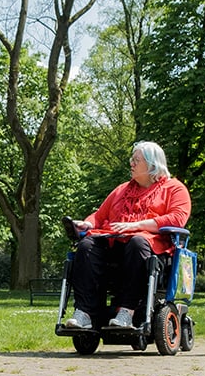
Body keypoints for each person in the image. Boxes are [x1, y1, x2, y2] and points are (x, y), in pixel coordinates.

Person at [64, 141, 192, 330]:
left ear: (152, 164)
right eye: (132, 159)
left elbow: (177, 218)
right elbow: (100, 216)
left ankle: (127, 312)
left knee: (137, 241)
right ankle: (84, 314)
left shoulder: (174, 189)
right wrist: (88, 223)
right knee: (86, 245)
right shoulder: (121, 190)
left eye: (136, 160)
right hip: (114, 245)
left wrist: (136, 225)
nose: (131, 163)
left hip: (150, 248)